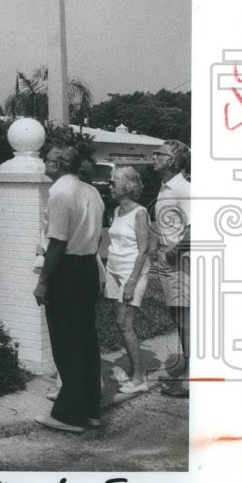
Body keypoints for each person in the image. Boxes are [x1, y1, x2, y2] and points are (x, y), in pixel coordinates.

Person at [33, 145, 105, 433]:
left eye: (48, 159)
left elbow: (57, 243)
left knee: (66, 340)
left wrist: (43, 281)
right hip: (88, 267)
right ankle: (90, 409)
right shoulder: (92, 191)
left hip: (67, 270)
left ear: (58, 165)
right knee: (86, 338)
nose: (44, 162)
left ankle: (68, 414)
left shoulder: (60, 193)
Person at [103, 166, 151, 393]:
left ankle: (139, 379)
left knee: (125, 324)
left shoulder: (140, 212)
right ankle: (133, 371)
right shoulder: (117, 210)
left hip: (132, 274)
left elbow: (144, 250)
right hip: (113, 270)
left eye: (114, 183)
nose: (110, 186)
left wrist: (131, 281)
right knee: (120, 323)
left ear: (128, 186)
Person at [150, 140, 192, 398]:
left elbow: (194, 229)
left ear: (172, 161)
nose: (154, 156)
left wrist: (172, 252)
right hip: (169, 259)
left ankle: (189, 381)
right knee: (179, 318)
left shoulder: (183, 188)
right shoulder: (166, 187)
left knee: (185, 320)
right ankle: (187, 371)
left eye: (160, 154)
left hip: (178, 262)